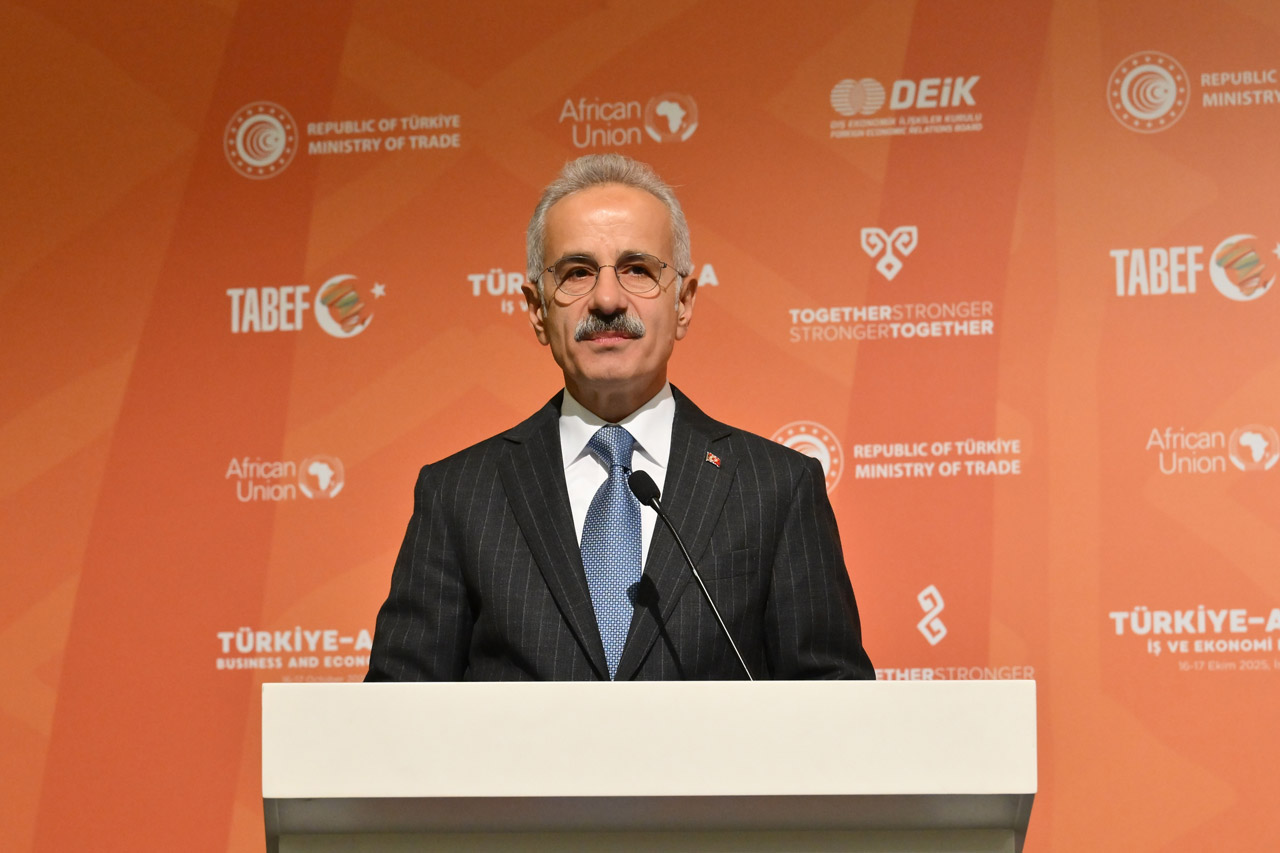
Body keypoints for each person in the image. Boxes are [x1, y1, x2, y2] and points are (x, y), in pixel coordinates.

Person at [366, 154, 873, 681]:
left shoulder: (777, 487)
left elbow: (834, 702)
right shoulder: (458, 495)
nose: (607, 300)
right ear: (538, 310)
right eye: (577, 273)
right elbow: (396, 711)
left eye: (638, 270)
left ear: (684, 303)